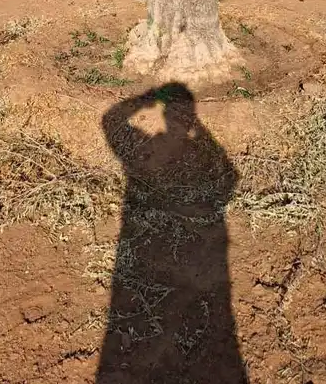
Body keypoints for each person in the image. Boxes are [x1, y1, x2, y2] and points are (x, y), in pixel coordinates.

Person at [97, 83, 248, 383]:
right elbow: (230, 179)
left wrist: (145, 99)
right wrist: (201, 130)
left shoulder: (144, 147)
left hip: (153, 249)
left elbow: (110, 121)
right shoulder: (196, 153)